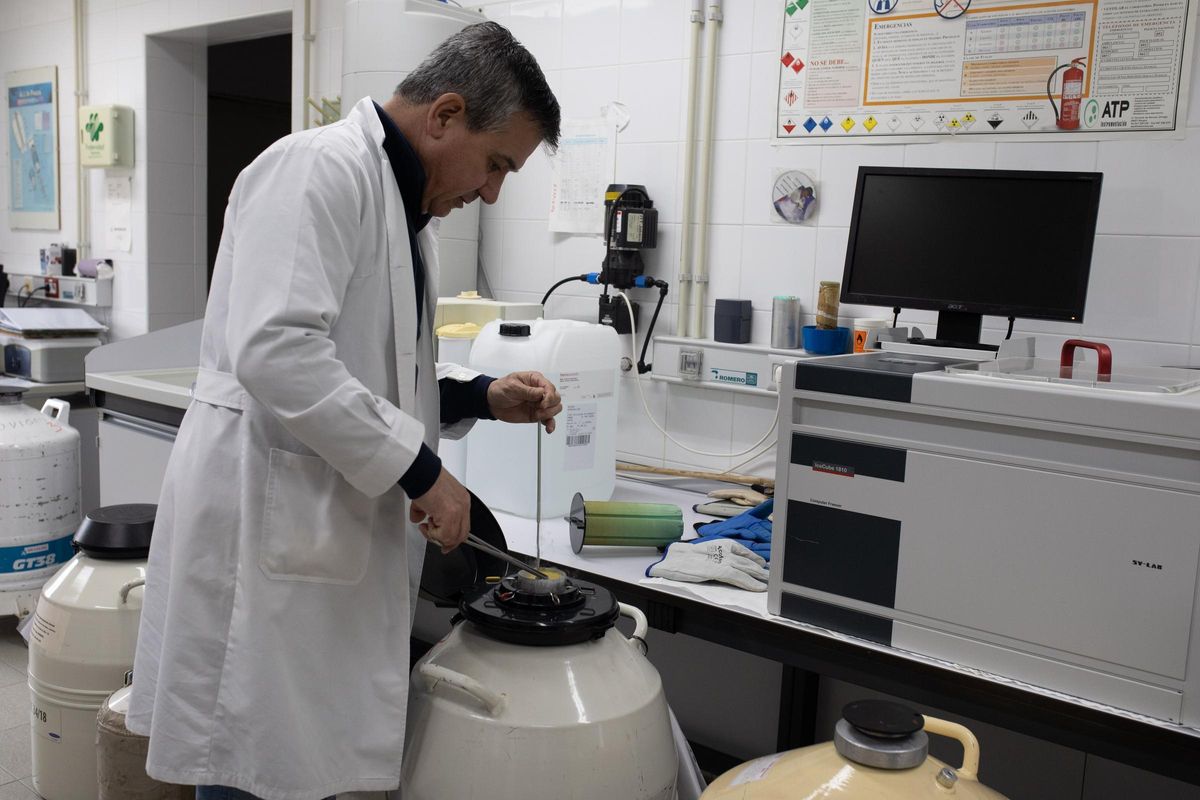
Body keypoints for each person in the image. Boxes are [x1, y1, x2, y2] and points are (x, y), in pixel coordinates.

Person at [126, 22, 562, 800]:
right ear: (446, 114)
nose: (492, 191)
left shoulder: (403, 211)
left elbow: (377, 365)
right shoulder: (318, 169)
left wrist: (479, 397)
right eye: (496, 164)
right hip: (263, 535)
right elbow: (277, 350)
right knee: (249, 766)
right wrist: (424, 472)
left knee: (293, 762)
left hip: (315, 540)